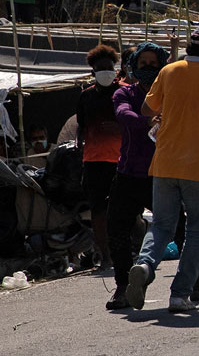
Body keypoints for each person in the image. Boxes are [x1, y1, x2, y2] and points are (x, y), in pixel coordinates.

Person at [126, 25, 199, 313]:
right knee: (197, 231)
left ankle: (145, 266)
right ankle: (179, 294)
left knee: (161, 225)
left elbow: (147, 111)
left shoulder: (169, 71)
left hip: (165, 162)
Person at [105, 42, 168, 310]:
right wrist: (149, 121)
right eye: (143, 64)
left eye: (154, 64)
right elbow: (124, 115)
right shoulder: (124, 94)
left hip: (164, 173)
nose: (148, 69)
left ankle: (196, 273)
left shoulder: (172, 93)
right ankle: (122, 286)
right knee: (117, 229)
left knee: (178, 228)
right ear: (133, 68)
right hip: (129, 173)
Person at [77, 45, 123, 269]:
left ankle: (125, 249)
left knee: (124, 209)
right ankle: (105, 255)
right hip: (94, 161)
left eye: (109, 67)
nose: (105, 71)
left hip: (123, 160)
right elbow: (81, 128)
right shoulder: (86, 97)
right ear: (92, 72)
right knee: (98, 210)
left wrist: (119, 128)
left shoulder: (125, 92)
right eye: (100, 68)